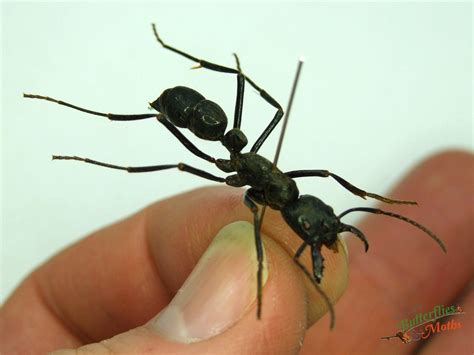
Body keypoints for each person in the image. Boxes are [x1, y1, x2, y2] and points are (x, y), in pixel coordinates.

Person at [1, 151, 472, 354]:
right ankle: (94, 155)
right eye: (315, 229)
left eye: (315, 228)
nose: (319, 234)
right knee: (197, 177)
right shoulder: (262, 197)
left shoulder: (282, 193)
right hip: (207, 128)